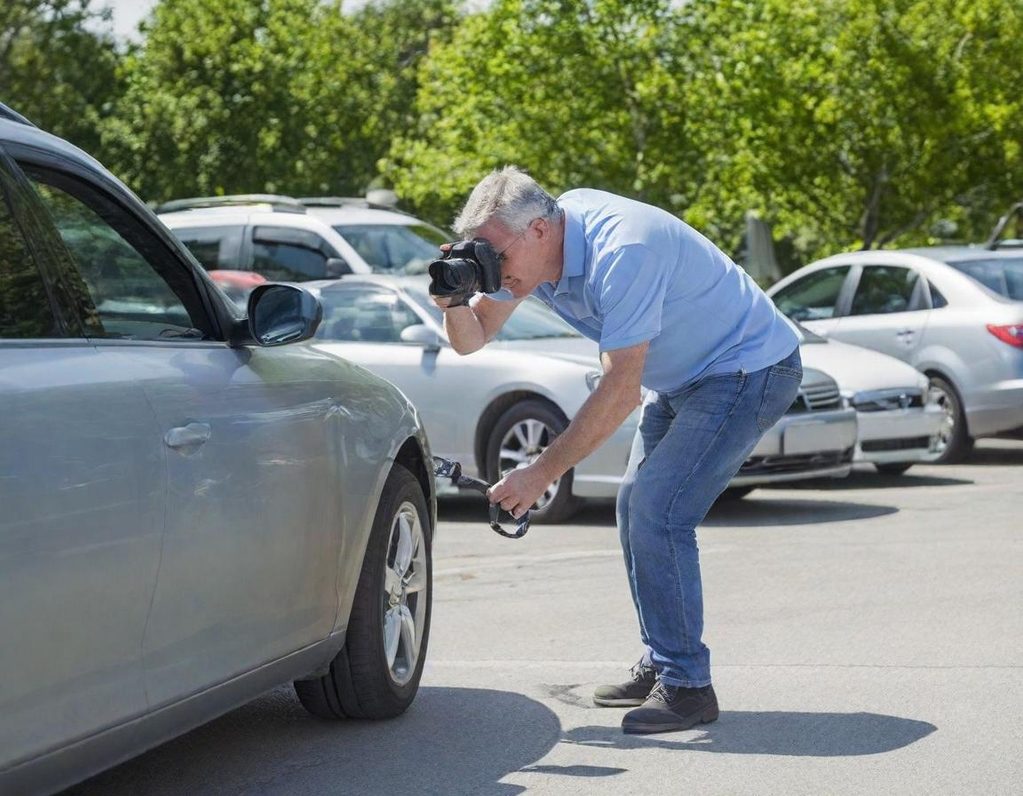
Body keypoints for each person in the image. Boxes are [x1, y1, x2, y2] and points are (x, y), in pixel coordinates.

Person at [433, 166, 802, 735]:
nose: (493, 272)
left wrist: (539, 475)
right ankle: (663, 657)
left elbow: (622, 388)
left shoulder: (622, 249)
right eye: (481, 256)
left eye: (495, 256)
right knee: (634, 510)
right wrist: (454, 299)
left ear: (537, 230)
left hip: (748, 370)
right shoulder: (531, 251)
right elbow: (471, 340)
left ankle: (686, 686)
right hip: (685, 381)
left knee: (659, 511)